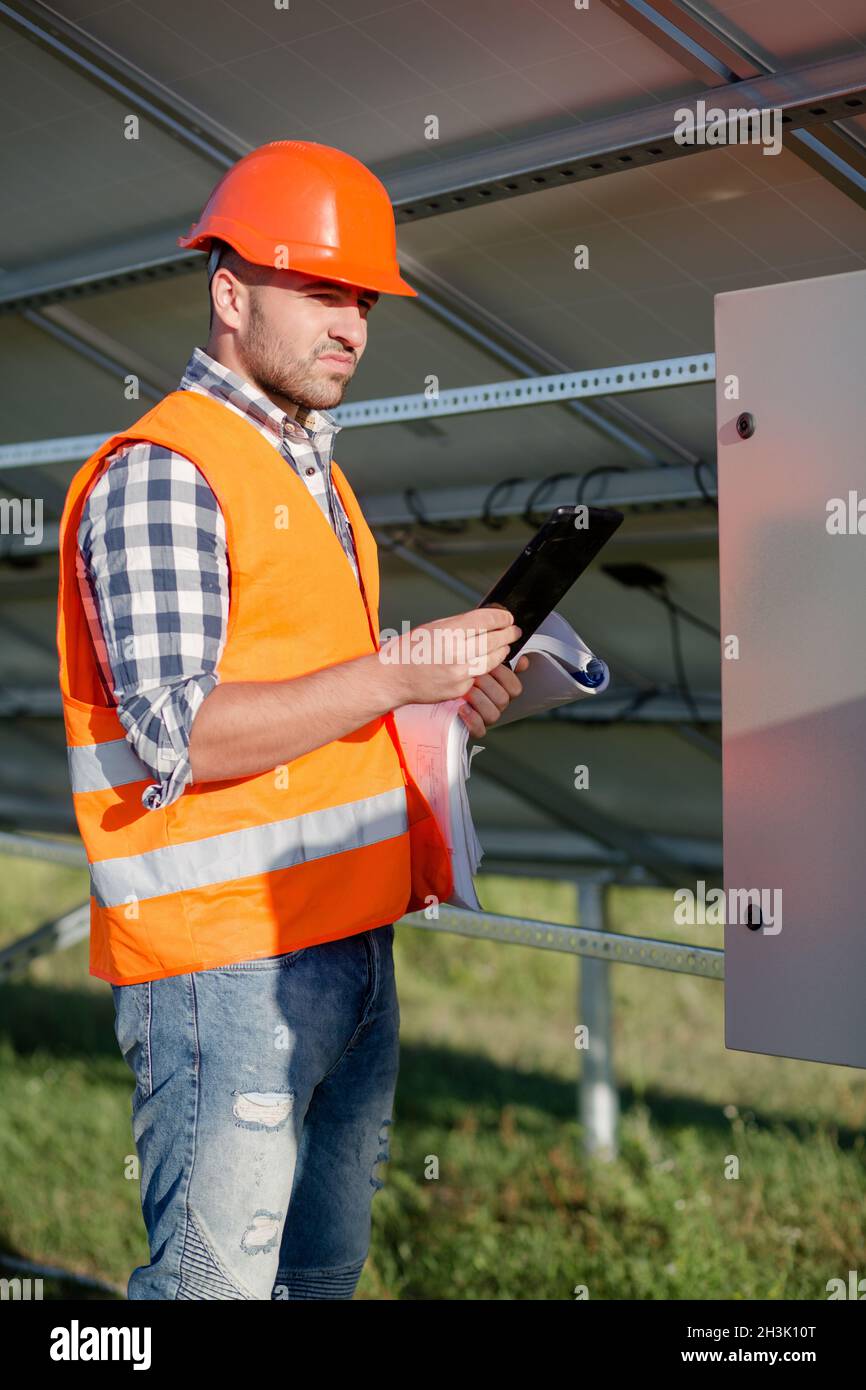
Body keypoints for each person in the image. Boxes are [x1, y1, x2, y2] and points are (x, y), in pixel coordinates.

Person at [56, 140, 529, 1300]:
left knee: (318, 1278)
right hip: (226, 968)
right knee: (211, 1292)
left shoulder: (311, 468)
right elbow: (185, 735)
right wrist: (392, 677)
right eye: (320, 290)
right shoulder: (166, 470)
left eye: (361, 298)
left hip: (349, 947)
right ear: (230, 293)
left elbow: (313, 701)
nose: (352, 325)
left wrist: (441, 702)